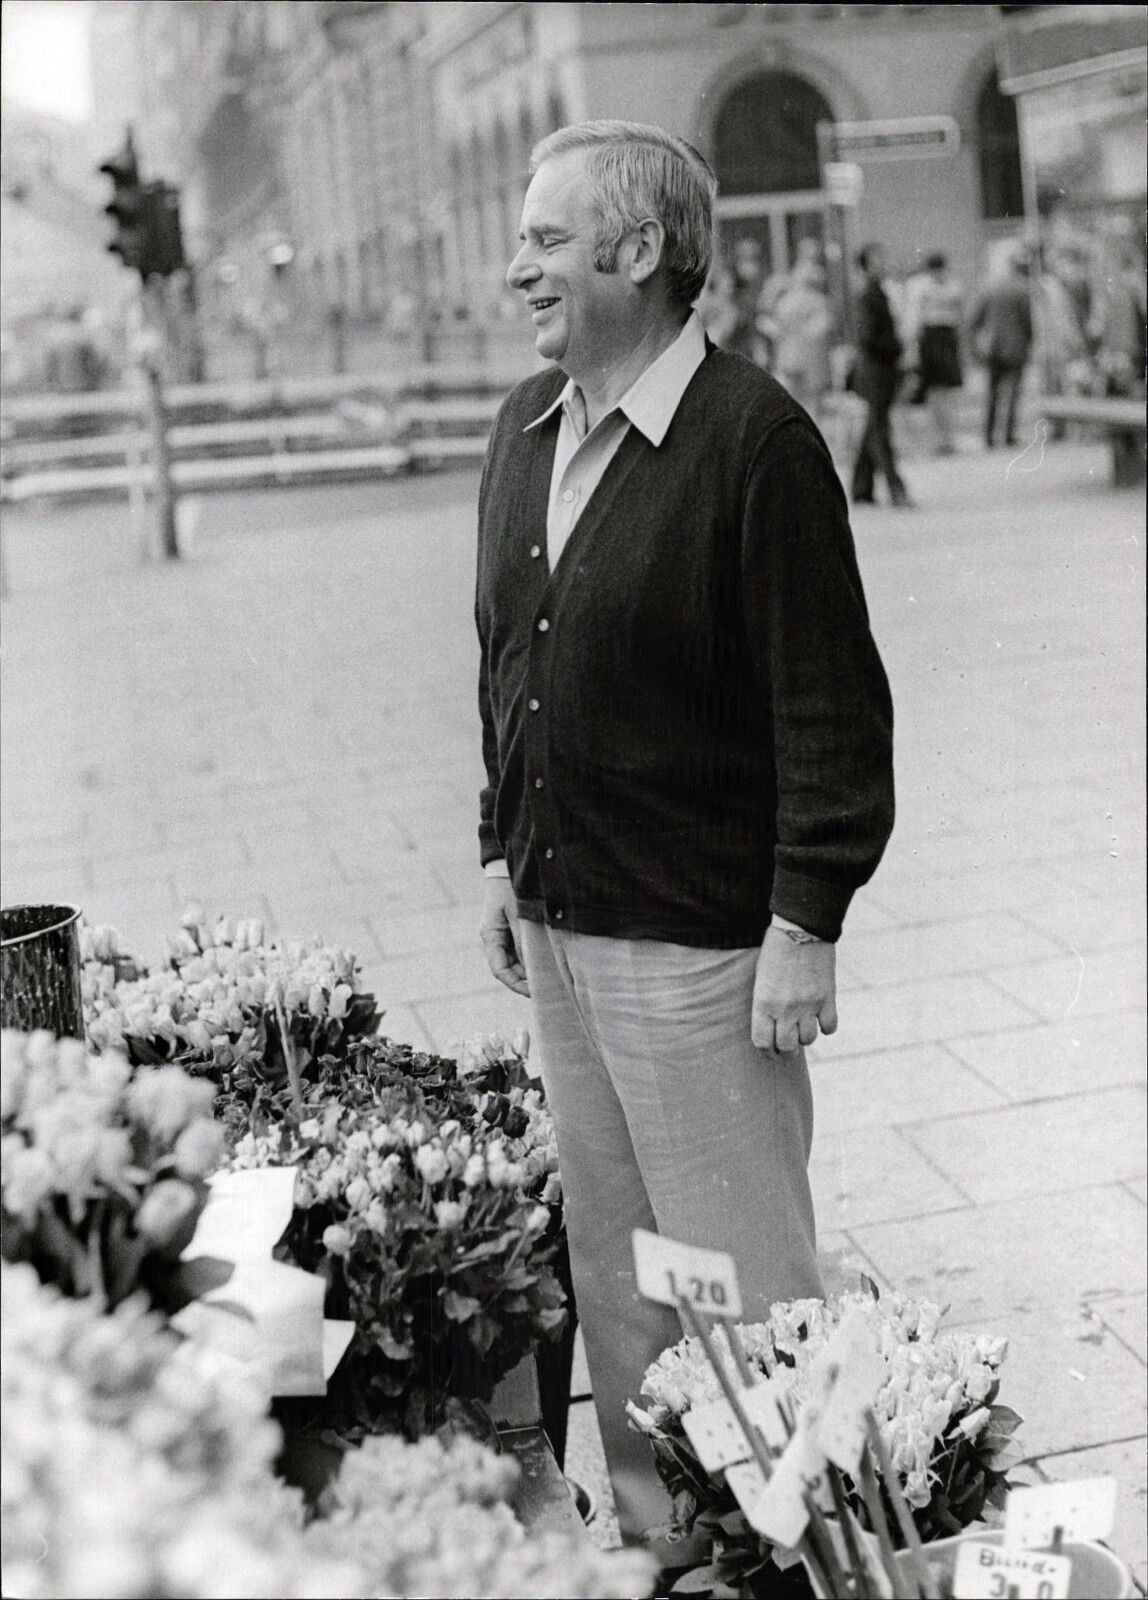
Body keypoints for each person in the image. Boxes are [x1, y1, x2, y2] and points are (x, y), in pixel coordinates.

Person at [476, 120, 895, 1572]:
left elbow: (830, 705)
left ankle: (806, 1546)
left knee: (753, 1282)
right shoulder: (526, 428)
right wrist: (497, 852)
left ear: (639, 251)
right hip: (563, 929)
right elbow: (508, 665)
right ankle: (665, 1534)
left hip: (704, 947)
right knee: (620, 1270)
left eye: (546, 236)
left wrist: (807, 919)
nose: (519, 263)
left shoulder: (752, 440)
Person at [850, 242, 911, 506]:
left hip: (881, 368)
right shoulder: (868, 294)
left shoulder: (877, 292)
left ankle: (861, 487)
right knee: (879, 429)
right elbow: (868, 336)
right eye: (877, 260)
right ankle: (895, 488)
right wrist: (895, 347)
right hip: (876, 369)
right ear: (867, 265)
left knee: (873, 427)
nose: (883, 264)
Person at [969, 253, 1033, 449]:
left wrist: (976, 347)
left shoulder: (988, 289)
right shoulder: (1021, 290)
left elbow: (974, 321)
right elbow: (1027, 323)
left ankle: (988, 435)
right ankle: (1008, 434)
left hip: (992, 347)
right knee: (1012, 393)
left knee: (992, 393)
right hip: (1015, 347)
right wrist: (1029, 343)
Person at [904, 251, 964, 455]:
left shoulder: (952, 284)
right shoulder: (920, 286)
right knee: (933, 391)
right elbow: (914, 317)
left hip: (946, 336)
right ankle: (938, 437)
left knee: (946, 391)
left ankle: (946, 436)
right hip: (930, 337)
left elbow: (958, 312)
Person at [762, 254, 832, 418]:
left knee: (796, 401)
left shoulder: (791, 301)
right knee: (806, 402)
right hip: (801, 357)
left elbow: (772, 325)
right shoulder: (813, 300)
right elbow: (823, 327)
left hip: (794, 356)